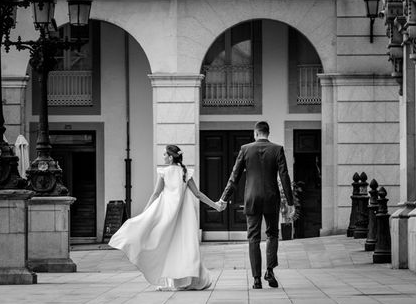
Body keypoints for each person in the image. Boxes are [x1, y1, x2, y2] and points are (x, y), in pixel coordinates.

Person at [109, 144, 225, 291]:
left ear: (170, 157)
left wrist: (145, 213)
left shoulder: (164, 172)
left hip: (165, 213)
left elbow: (156, 194)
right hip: (183, 216)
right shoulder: (185, 172)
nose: (163, 156)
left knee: (167, 244)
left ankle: (175, 282)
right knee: (184, 246)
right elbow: (198, 194)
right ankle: (189, 280)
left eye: (164, 154)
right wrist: (215, 205)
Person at [217, 121, 294, 289]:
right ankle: (270, 271)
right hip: (271, 198)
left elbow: (234, 176)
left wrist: (224, 198)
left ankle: (257, 279)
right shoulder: (277, 149)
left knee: (253, 238)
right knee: (273, 234)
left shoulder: (245, 149)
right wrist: (290, 202)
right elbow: (284, 176)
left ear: (256, 133)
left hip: (252, 198)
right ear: (268, 132)